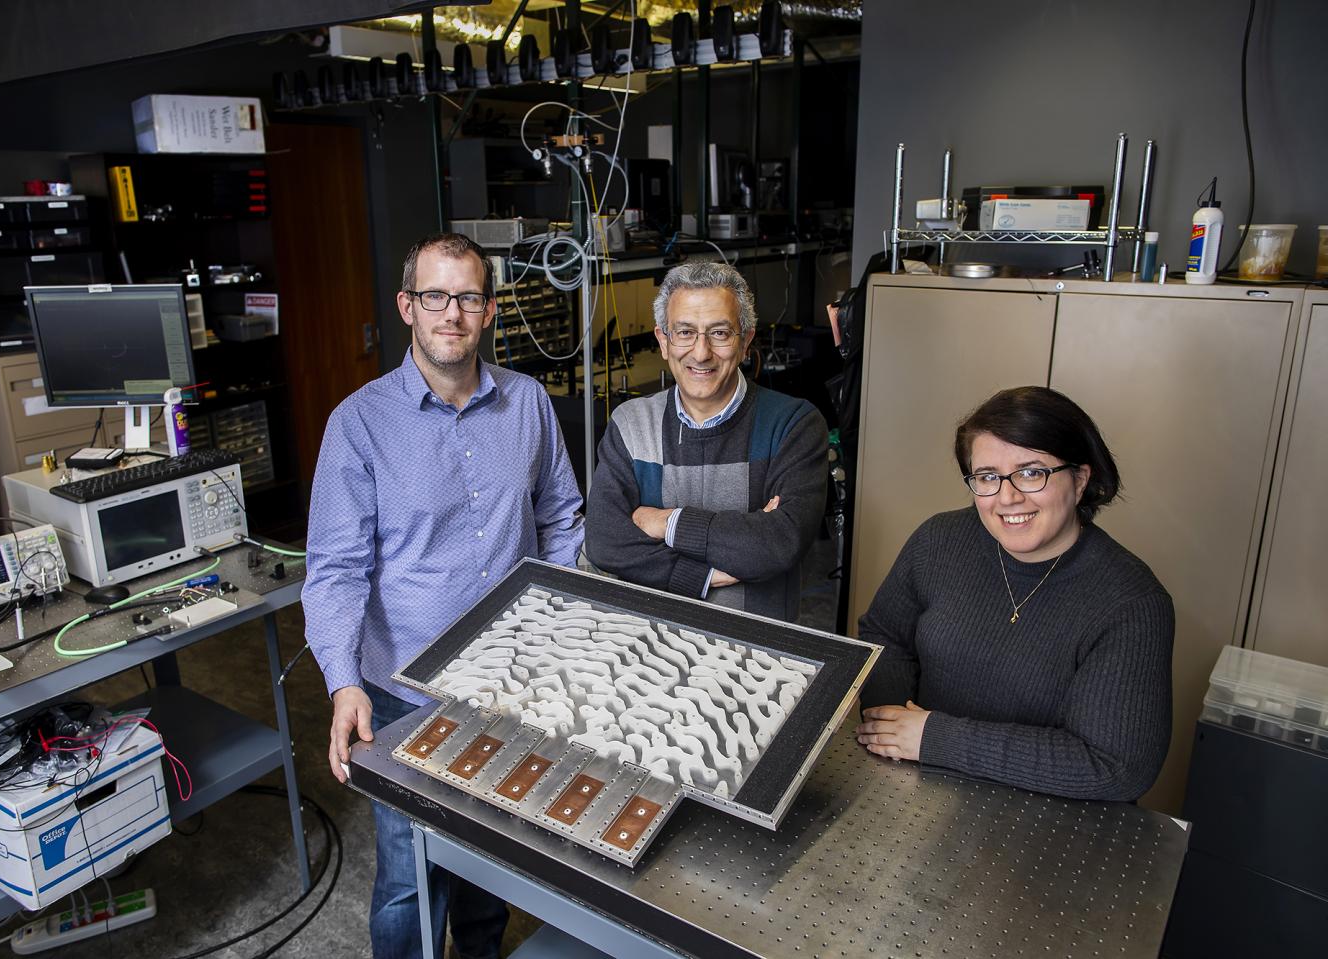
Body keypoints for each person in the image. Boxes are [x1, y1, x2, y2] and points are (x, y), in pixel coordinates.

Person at [303, 233, 584, 959]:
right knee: (410, 873)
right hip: (404, 687)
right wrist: (341, 682)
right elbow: (334, 568)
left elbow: (561, 517)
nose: (450, 314)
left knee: (492, 851)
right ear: (408, 307)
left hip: (510, 681)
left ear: (489, 310)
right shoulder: (359, 424)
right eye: (435, 296)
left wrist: (559, 623)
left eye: (466, 298)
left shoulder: (528, 403)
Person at [854, 386, 1173, 802]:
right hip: (921, 788)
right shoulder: (939, 541)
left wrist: (934, 737)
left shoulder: (1131, 603)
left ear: (1080, 479)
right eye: (987, 477)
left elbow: (1113, 768)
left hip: (1047, 819)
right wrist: (894, 728)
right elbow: (884, 634)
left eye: (1031, 472)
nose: (1007, 497)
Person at [584, 260, 828, 621]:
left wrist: (666, 523)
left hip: (756, 652)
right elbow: (604, 540)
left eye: (719, 333)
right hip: (650, 646)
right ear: (663, 342)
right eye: (684, 332)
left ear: (745, 341)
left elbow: (777, 544)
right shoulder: (631, 424)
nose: (700, 353)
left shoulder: (794, 425)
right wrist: (703, 575)